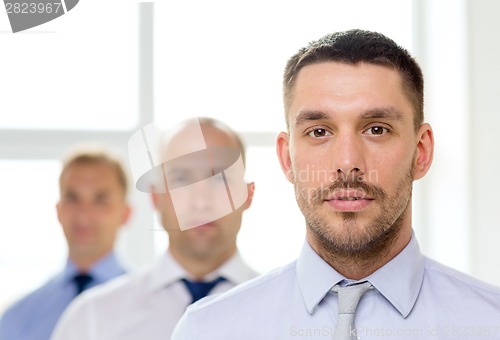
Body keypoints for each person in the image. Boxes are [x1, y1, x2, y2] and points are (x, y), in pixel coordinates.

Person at [171, 30, 500, 340]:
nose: (347, 162)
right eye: (319, 132)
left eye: (376, 130)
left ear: (421, 152)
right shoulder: (208, 330)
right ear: (287, 159)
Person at [50, 117, 258, 340]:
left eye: (220, 179)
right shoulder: (90, 319)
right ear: (155, 196)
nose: (201, 201)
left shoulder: (291, 313)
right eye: (181, 179)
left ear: (247, 195)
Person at [0, 149, 131, 340]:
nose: (84, 215)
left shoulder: (158, 308)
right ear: (59, 211)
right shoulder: (16, 319)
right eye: (72, 198)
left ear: (125, 213)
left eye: (100, 199)